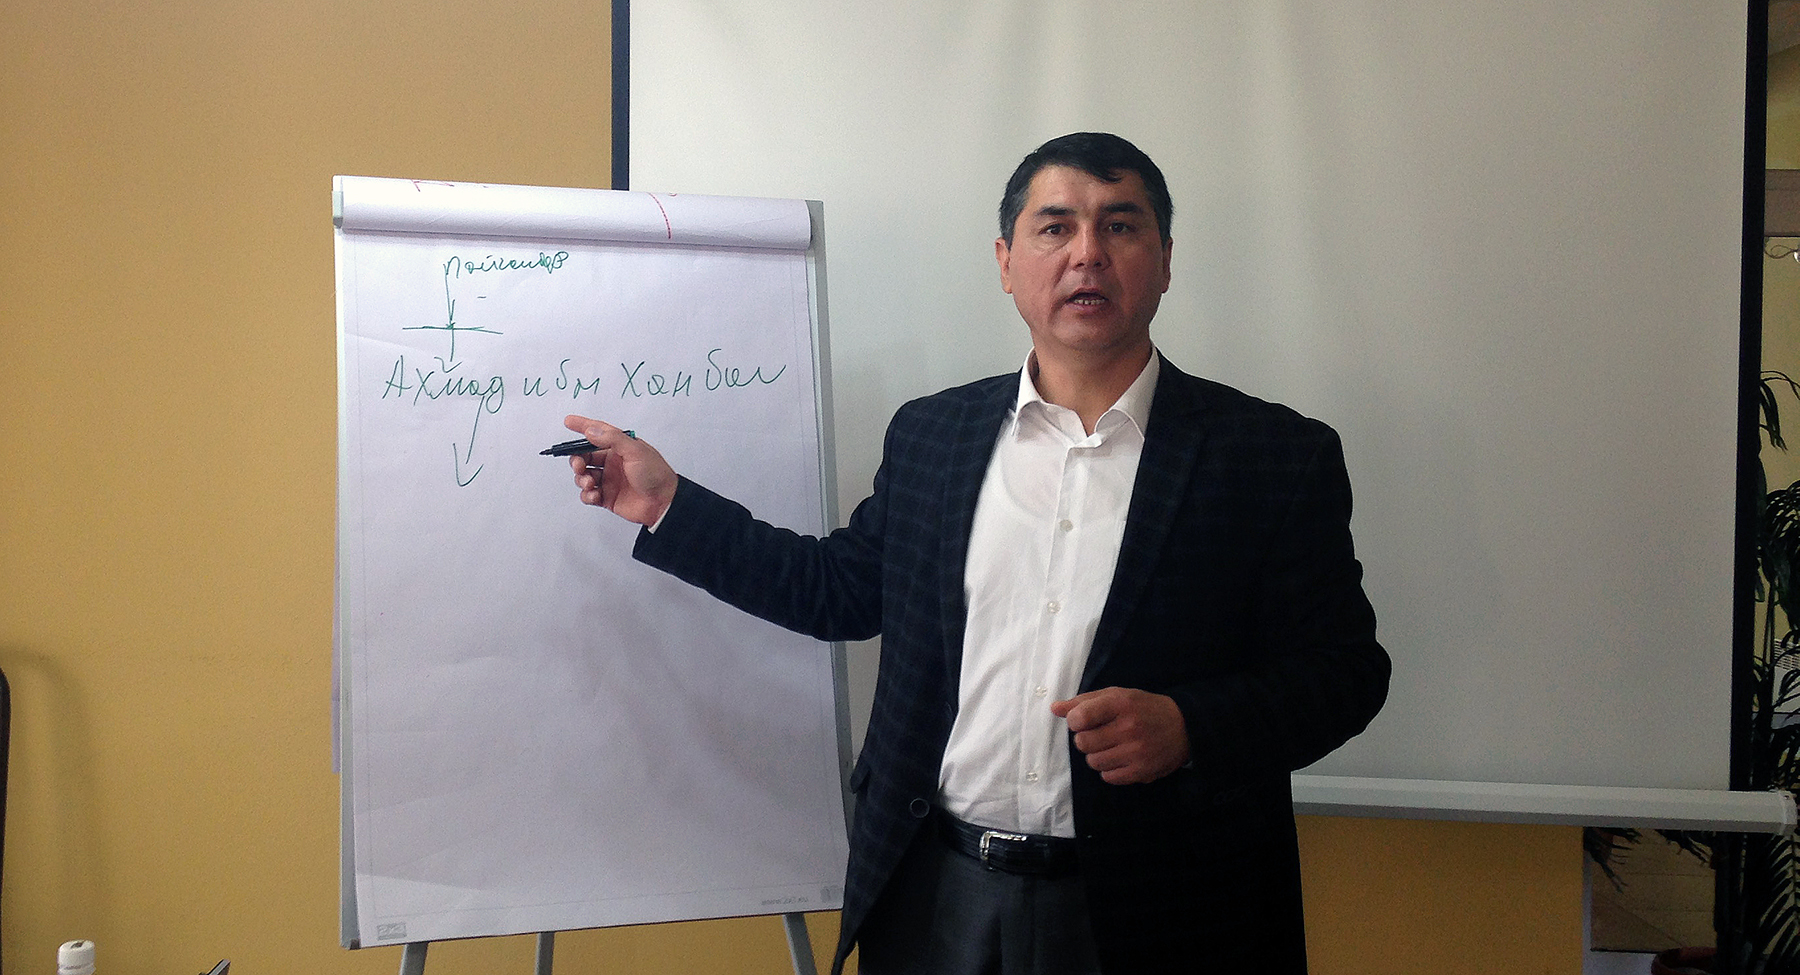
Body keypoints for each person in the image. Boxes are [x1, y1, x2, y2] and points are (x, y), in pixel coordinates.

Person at [563, 132, 1389, 975]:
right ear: (1006, 261)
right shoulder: (935, 434)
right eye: (1055, 227)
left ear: (1166, 260)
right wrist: (667, 504)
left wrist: (1189, 727)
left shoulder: (1272, 456)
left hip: (1166, 908)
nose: (1087, 254)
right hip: (937, 896)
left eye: (1120, 226)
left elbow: (1346, 674)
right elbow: (835, 589)